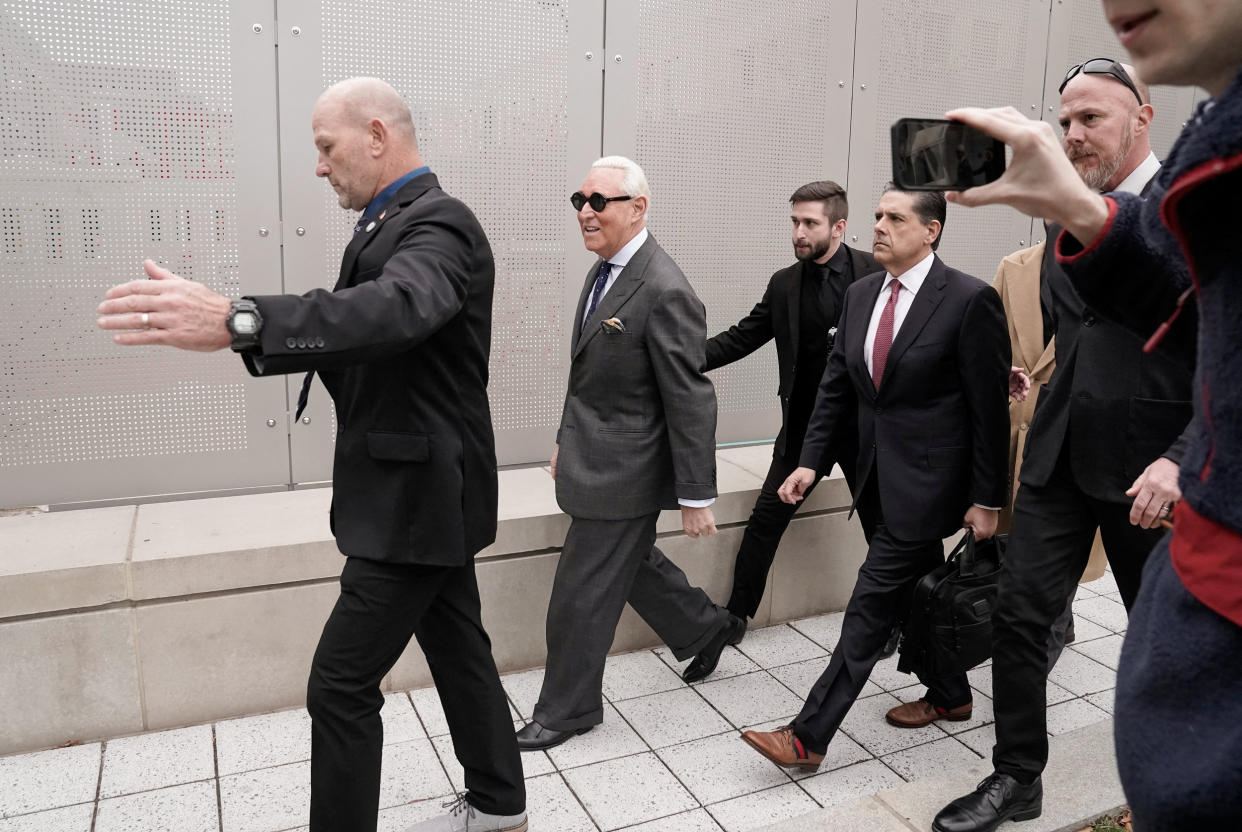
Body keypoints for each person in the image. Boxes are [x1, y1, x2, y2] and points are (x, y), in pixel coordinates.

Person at [97, 78, 526, 832]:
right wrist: (249, 333)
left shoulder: (442, 225)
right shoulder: (386, 223)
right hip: (423, 493)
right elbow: (363, 334)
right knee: (459, 651)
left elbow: (393, 310)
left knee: (339, 685)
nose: (321, 167)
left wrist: (241, 318)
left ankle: (489, 806)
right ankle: (499, 805)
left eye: (327, 149)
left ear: (377, 135)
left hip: (415, 504)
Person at [937, 1, 1242, 826]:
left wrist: (1183, 455)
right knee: (1019, 615)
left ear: (1142, 117)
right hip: (1059, 452)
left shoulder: (1195, 188)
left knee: (1163, 640)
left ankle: (1162, 785)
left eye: (1090, 118)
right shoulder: (1070, 209)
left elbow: (1218, 343)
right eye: (1063, 119)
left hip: (1156, 470)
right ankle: (1016, 776)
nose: (1073, 134)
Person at [739, 185, 1010, 770]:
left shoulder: (969, 300)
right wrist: (808, 462)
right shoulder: (862, 295)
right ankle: (951, 694)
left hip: (931, 484)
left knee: (869, 605)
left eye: (895, 217)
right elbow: (836, 387)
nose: (879, 226)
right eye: (878, 216)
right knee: (920, 592)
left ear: (931, 230)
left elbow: (989, 411)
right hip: (874, 477)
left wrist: (988, 499)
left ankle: (808, 736)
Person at [512, 156, 743, 752]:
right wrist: (567, 440)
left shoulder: (665, 288)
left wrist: (695, 495)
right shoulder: (605, 272)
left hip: (625, 471)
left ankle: (568, 709)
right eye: (580, 200)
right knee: (630, 563)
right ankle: (706, 627)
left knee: (579, 593)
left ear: (637, 209)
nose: (585, 212)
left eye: (599, 202)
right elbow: (588, 376)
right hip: (593, 455)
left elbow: (690, 397)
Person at [692, 181, 880, 673]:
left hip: (865, 431)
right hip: (802, 432)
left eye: (810, 223)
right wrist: (678, 358)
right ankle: (733, 619)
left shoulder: (877, 274)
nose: (798, 232)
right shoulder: (784, 284)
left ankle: (896, 621)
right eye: (795, 221)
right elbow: (742, 337)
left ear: (838, 227)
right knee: (764, 524)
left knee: (884, 531)